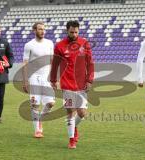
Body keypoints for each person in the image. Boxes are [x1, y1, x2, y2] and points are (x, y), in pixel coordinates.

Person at [50, 20, 94, 149]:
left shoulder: (84, 43)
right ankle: (71, 140)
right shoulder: (59, 46)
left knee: (82, 113)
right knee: (70, 111)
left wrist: (89, 80)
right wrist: (53, 80)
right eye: (71, 32)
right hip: (67, 82)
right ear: (67, 31)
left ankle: (74, 126)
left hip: (81, 83)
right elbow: (55, 65)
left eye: (76, 32)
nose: (74, 34)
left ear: (78, 31)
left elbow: (90, 63)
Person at [22, 22, 55, 138]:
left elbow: (52, 61)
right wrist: (25, 81)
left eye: (43, 29)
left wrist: (54, 78)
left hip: (46, 78)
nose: (42, 31)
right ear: (34, 30)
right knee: (35, 104)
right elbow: (25, 64)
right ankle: (37, 130)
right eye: (40, 29)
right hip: (34, 77)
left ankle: (40, 119)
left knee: (51, 103)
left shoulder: (50, 43)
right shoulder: (29, 45)